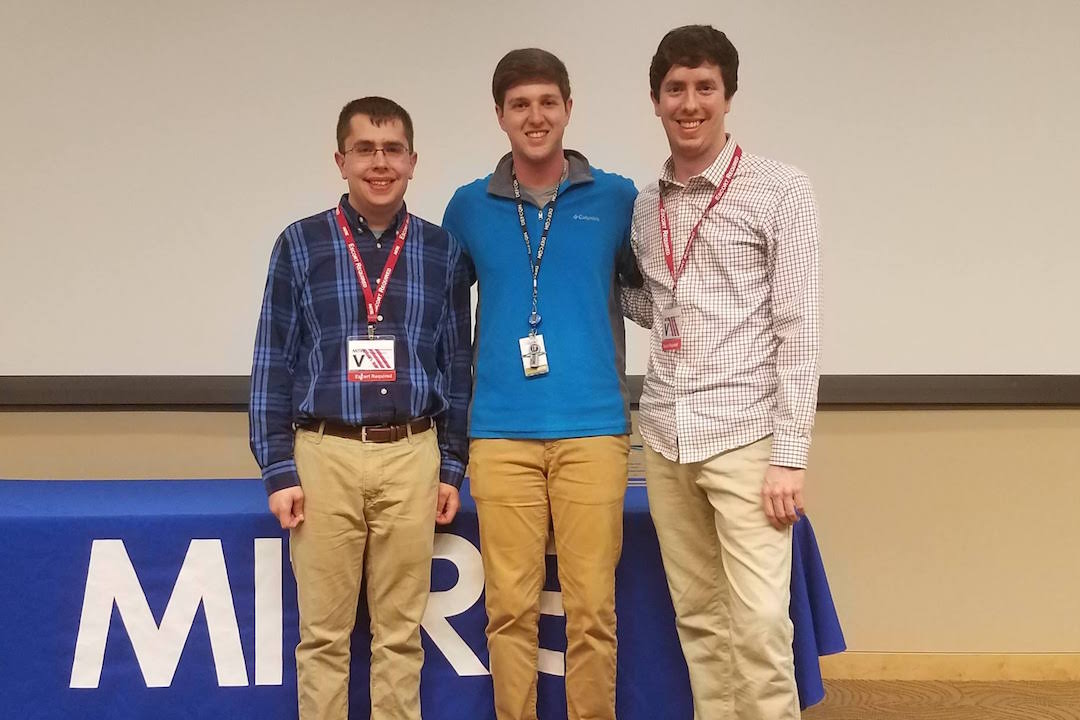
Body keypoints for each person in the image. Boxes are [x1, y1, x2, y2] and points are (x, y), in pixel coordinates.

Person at [248, 96, 472, 720]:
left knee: (400, 636)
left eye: (392, 150)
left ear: (413, 161)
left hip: (412, 454)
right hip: (325, 453)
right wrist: (277, 468)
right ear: (341, 160)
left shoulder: (442, 251)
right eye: (366, 150)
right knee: (322, 637)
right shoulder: (300, 244)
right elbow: (273, 358)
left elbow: (457, 368)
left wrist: (450, 466)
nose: (380, 163)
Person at [623, 25, 821, 720]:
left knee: (763, 624)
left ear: (727, 96)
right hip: (667, 434)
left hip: (745, 438)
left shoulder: (781, 190)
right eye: (675, 88)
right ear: (656, 100)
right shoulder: (646, 206)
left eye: (704, 87)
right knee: (700, 621)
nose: (690, 102)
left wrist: (789, 458)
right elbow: (657, 304)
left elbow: (799, 330)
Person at [442, 49, 639, 720]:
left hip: (594, 429)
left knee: (591, 612)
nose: (535, 116)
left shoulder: (616, 198)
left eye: (547, 102)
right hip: (499, 435)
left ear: (568, 110)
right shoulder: (468, 207)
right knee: (509, 610)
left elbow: (658, 296)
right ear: (500, 116)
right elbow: (439, 318)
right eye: (520, 104)